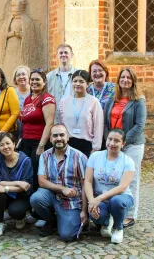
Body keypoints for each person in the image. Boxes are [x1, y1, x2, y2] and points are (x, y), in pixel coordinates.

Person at [103, 68, 146, 228]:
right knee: (113, 177)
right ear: (118, 80)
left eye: (129, 77)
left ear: (133, 81)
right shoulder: (112, 99)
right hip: (113, 145)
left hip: (132, 145)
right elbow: (106, 122)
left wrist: (123, 141)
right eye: (123, 77)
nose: (125, 80)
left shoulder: (138, 100)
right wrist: (110, 140)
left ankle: (130, 214)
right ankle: (115, 210)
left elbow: (140, 125)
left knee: (132, 179)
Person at [29, 125, 88, 241]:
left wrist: (84, 211)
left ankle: (67, 221)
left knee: (67, 236)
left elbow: (86, 185)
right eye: (55, 135)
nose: (59, 138)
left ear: (68, 137)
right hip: (52, 196)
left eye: (62, 135)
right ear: (50, 139)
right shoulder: (45, 156)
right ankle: (52, 221)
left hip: (72, 201)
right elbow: (42, 181)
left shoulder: (79, 157)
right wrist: (62, 189)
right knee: (36, 198)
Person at [84, 129, 135, 244]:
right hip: (98, 197)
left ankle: (118, 228)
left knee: (116, 201)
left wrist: (98, 199)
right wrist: (92, 200)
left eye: (116, 141)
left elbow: (122, 187)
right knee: (95, 215)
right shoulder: (95, 156)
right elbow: (87, 181)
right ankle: (106, 223)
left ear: (123, 144)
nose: (112, 143)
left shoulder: (128, 161)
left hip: (121, 197)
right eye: (110, 139)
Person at [0, 132, 33, 236]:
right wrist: (17, 182)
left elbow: (26, 186)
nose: (5, 147)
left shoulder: (25, 160)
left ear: (14, 144)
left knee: (16, 211)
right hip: (4, 193)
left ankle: (21, 216)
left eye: (8, 143)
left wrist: (6, 188)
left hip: (21, 195)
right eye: (2, 145)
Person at [19, 69, 55, 192]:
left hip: (38, 142)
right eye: (32, 79)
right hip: (26, 142)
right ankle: (26, 201)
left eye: (37, 79)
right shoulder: (28, 99)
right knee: (27, 172)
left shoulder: (47, 99)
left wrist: (41, 145)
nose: (34, 82)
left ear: (44, 82)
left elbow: (50, 123)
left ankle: (37, 205)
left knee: (36, 173)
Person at [58, 70, 104, 157]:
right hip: (67, 145)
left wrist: (96, 148)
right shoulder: (64, 102)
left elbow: (98, 126)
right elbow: (60, 124)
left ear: (88, 84)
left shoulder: (93, 101)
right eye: (75, 81)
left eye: (81, 81)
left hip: (86, 146)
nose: (77, 84)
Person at [46, 44, 78, 122]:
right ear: (57, 56)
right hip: (55, 119)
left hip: (74, 117)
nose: (63, 55)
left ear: (72, 55)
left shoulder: (78, 74)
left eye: (66, 52)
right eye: (61, 53)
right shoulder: (49, 77)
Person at [13, 65, 31, 140]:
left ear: (29, 77)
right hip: (16, 133)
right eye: (18, 75)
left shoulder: (35, 92)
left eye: (24, 74)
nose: (21, 77)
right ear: (15, 79)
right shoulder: (12, 93)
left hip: (32, 132)